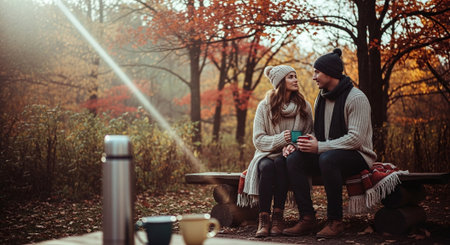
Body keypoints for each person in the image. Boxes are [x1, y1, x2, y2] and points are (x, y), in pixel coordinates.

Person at [282, 48, 377, 238]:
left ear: (331, 73)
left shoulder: (356, 98)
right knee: (294, 158)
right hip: (329, 153)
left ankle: (335, 221)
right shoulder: (322, 98)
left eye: (317, 72)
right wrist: (301, 143)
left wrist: (320, 147)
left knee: (327, 158)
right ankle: (307, 218)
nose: (314, 77)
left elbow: (355, 139)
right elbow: (320, 133)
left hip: (358, 155)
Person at [238, 65, 313, 238]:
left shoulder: (304, 106)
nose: (296, 80)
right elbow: (258, 140)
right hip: (266, 154)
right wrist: (281, 139)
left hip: (291, 156)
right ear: (280, 82)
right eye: (291, 77)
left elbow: (310, 134)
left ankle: (278, 217)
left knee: (281, 163)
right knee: (267, 166)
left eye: (295, 76)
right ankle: (264, 218)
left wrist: (293, 145)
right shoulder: (264, 107)